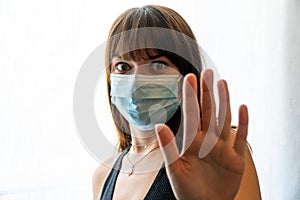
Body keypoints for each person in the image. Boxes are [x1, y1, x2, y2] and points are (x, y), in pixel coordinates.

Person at [93, 5, 261, 200]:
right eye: (123, 66)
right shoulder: (102, 175)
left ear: (186, 76)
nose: (135, 82)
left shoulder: (214, 154)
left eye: (157, 65)